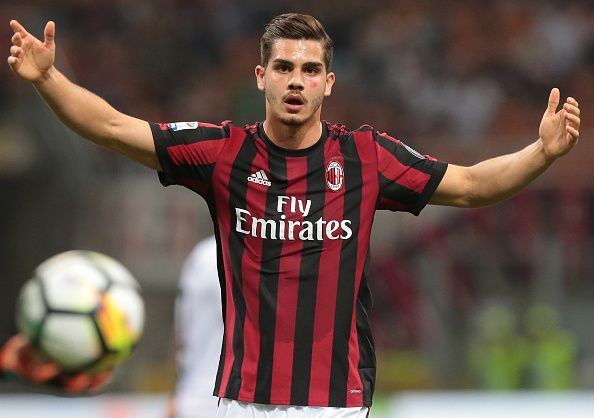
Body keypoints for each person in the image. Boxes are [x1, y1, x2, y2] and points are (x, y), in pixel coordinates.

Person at [6, 13, 581, 418]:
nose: (296, 81)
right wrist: (48, 79)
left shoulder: (365, 157)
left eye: (309, 70)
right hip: (240, 403)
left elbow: (473, 186)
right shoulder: (223, 153)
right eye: (283, 67)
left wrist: (542, 153)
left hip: (336, 405)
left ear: (328, 83)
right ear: (262, 77)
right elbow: (112, 127)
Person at [168, 235, 223, 418]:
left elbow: (182, 336)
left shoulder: (202, 255)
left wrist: (177, 392)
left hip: (193, 398)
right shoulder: (265, 254)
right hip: (240, 402)